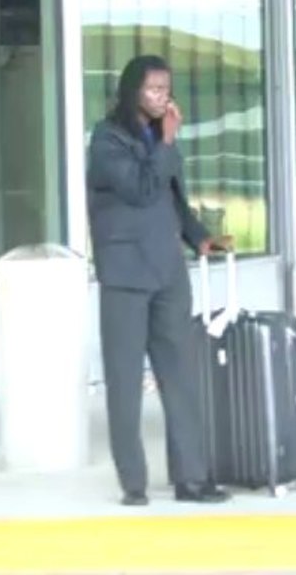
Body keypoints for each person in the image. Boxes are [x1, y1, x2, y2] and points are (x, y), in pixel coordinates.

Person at [86, 55, 232, 506]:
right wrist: (166, 142)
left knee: (181, 378)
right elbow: (141, 189)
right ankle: (133, 483)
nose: (161, 97)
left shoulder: (160, 139)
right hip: (126, 275)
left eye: (165, 89)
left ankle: (191, 477)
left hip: (168, 271)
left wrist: (199, 238)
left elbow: (170, 199)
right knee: (125, 383)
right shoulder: (107, 140)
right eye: (152, 90)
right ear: (132, 92)